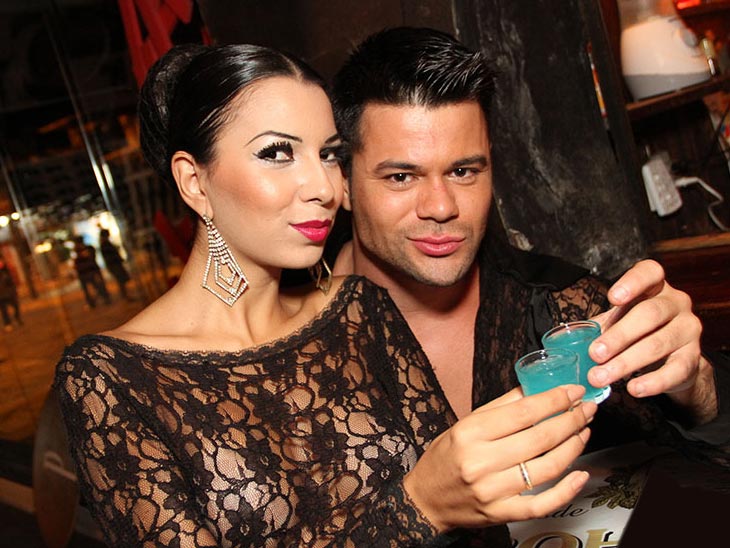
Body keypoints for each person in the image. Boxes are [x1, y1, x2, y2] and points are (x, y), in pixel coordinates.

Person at [55, 44, 596, 547]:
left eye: (329, 155)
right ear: (195, 182)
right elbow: (431, 502)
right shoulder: (111, 377)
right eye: (277, 153)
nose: (324, 188)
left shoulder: (360, 309)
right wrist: (417, 508)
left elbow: (476, 533)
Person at [330, 27, 730, 541]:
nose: (441, 206)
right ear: (343, 182)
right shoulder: (275, 346)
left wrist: (696, 386)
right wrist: (418, 509)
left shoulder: (561, 308)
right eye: (401, 177)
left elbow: (707, 440)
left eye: (463, 171)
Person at [72, 235, 111, 308]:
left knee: (97, 286)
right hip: (84, 272)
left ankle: (104, 298)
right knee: (91, 288)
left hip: (89, 271)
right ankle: (93, 302)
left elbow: (91, 258)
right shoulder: (77, 250)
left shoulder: (87, 249)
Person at [99, 228, 133, 301]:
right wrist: (117, 257)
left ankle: (126, 295)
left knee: (121, 280)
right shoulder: (105, 244)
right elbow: (110, 256)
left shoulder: (105, 243)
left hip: (114, 265)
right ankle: (125, 296)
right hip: (114, 265)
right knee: (121, 280)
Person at [0, 258, 21, 331]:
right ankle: (7, 324)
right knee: (4, 310)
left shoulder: (7, 270)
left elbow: (13, 280)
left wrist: (15, 289)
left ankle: (17, 317)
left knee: (15, 305)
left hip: (10, 292)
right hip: (1, 294)